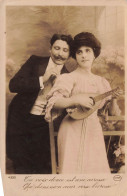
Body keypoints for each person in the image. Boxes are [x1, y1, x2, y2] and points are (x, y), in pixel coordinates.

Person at [45, 32, 121, 174]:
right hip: (71, 131)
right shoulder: (68, 78)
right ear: (75, 55)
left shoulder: (102, 82)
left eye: (88, 51)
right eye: (79, 52)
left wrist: (114, 99)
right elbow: (53, 102)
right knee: (71, 173)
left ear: (94, 54)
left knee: (95, 174)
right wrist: (75, 99)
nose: (84, 55)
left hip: (94, 131)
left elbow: (113, 113)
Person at [6, 33, 73, 174]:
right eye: (57, 48)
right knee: (20, 164)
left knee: (41, 166)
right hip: (22, 120)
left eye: (65, 50)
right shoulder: (35, 61)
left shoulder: (69, 77)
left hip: (45, 125)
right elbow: (13, 85)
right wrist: (42, 80)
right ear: (50, 49)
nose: (59, 54)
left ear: (69, 54)